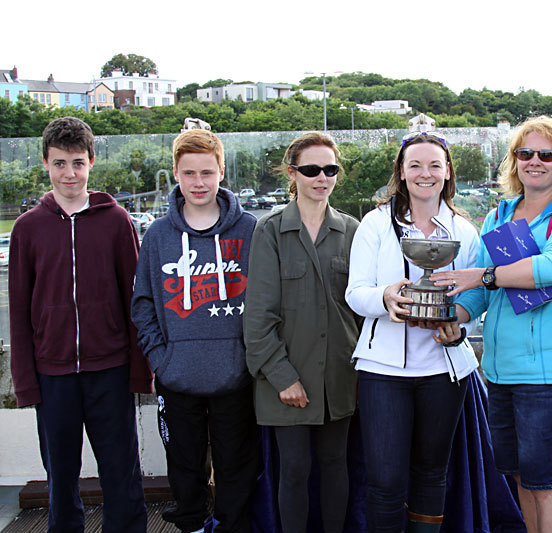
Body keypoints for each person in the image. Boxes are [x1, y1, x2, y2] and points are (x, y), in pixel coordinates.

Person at [435, 116, 552, 533]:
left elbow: (551, 267)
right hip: (500, 372)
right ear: (514, 162)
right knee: (521, 476)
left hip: (549, 376)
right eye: (525, 154)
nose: (534, 162)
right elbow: (481, 295)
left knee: (546, 482)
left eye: (546, 154)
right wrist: (453, 317)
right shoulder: (498, 217)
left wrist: (481, 276)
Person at [9, 116, 152, 531]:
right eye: (59, 163)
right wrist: (26, 381)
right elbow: (19, 311)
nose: (68, 173)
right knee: (61, 475)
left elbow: (135, 300)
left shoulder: (116, 221)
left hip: (110, 369)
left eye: (77, 162)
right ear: (45, 164)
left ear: (91, 162)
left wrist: (139, 371)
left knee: (121, 471)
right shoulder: (27, 228)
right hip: (52, 374)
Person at [345, 131, 480, 532]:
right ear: (401, 173)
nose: (426, 173)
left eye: (435, 165)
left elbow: (476, 299)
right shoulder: (374, 223)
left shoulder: (465, 231)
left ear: (447, 171)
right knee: (385, 481)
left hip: (444, 370)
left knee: (431, 473)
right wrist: (386, 298)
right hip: (383, 372)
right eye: (415, 165)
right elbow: (355, 293)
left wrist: (457, 319)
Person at [131, 128, 259, 533]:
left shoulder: (250, 230)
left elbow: (267, 303)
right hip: (179, 377)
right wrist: (161, 360)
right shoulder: (157, 236)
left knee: (237, 470)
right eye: (189, 173)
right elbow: (144, 305)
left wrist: (249, 358)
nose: (199, 182)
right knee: (185, 472)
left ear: (221, 171)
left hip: (237, 378)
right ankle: (191, 527)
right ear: (176, 173)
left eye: (207, 172)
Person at [244, 132, 361, 533]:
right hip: (287, 381)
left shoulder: (353, 230)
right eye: (311, 169)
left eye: (330, 169)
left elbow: (362, 311)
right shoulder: (270, 231)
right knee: (293, 472)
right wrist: (283, 378)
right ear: (292, 174)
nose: (321, 177)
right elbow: (258, 318)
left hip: (339, 379)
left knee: (335, 467)